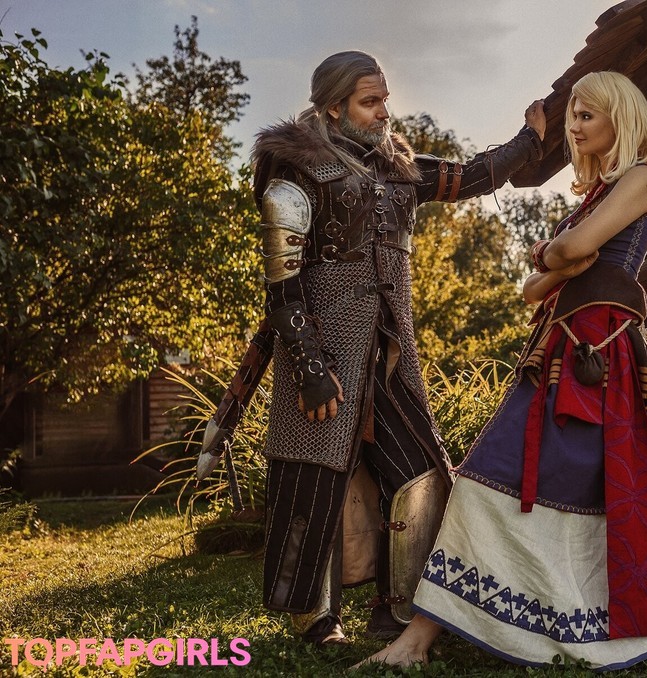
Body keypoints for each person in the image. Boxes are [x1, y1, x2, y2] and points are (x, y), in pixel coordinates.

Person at [224, 50, 546, 645]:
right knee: (313, 475)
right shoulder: (295, 170)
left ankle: (398, 612)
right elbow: (283, 288)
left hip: (390, 353)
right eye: (370, 102)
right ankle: (314, 619)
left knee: (419, 471)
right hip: (322, 356)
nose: (383, 112)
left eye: (385, 100)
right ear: (334, 106)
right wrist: (310, 368)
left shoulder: (398, 168)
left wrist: (529, 138)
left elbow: (470, 176)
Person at [363, 70, 647, 670]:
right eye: (572, 115)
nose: (574, 126)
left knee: (540, 481)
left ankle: (444, 637)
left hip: (594, 357)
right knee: (495, 475)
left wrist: (557, 255)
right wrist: (559, 259)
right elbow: (533, 287)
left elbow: (563, 255)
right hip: (559, 349)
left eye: (587, 114)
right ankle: (420, 639)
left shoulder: (642, 178)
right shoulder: (596, 196)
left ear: (620, 116)